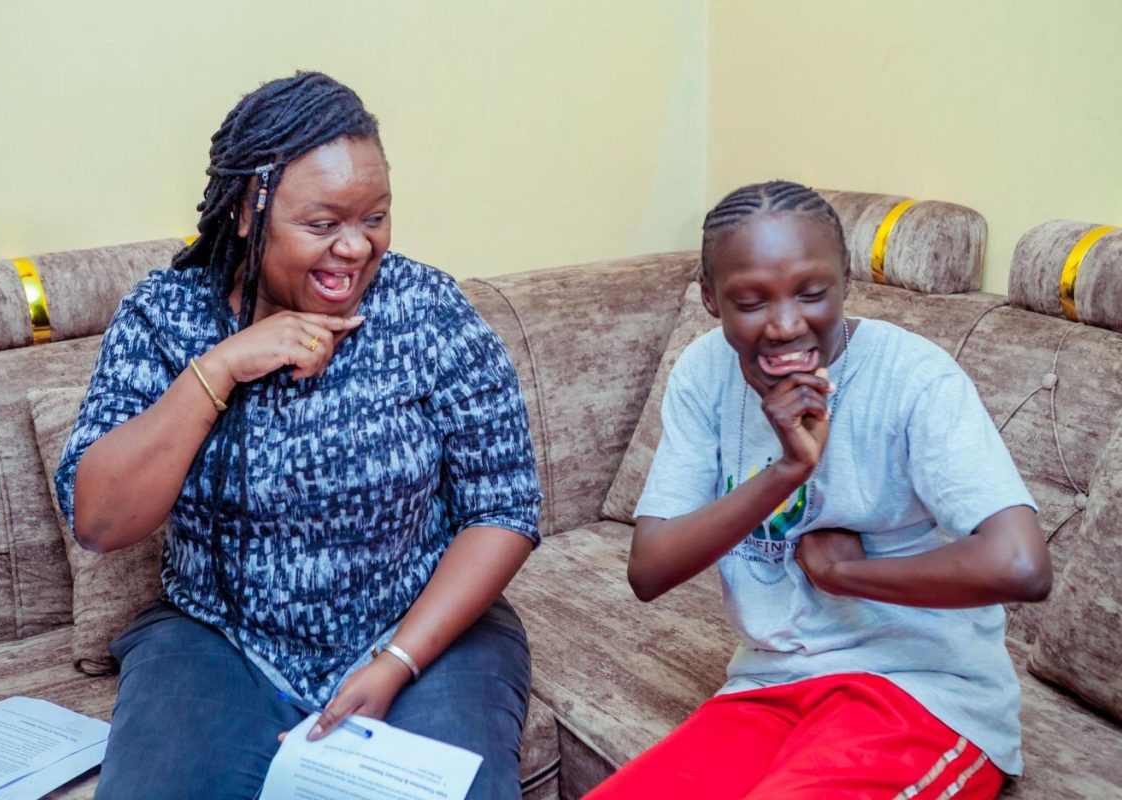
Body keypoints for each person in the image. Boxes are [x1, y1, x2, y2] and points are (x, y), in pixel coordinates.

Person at [55, 71, 541, 800]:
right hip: (218, 638)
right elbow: (99, 522)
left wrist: (397, 660)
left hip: (421, 631)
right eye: (322, 224)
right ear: (247, 212)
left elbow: (504, 506)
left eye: (375, 217)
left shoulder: (428, 309)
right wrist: (221, 368)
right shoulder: (165, 317)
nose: (355, 247)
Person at [587, 181, 1052, 799]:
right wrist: (787, 469)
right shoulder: (702, 374)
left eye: (812, 294)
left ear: (846, 279)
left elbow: (1021, 565)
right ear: (709, 298)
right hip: (768, 684)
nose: (786, 325)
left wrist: (844, 575)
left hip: (922, 691)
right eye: (750, 301)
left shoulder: (914, 377)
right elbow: (650, 569)